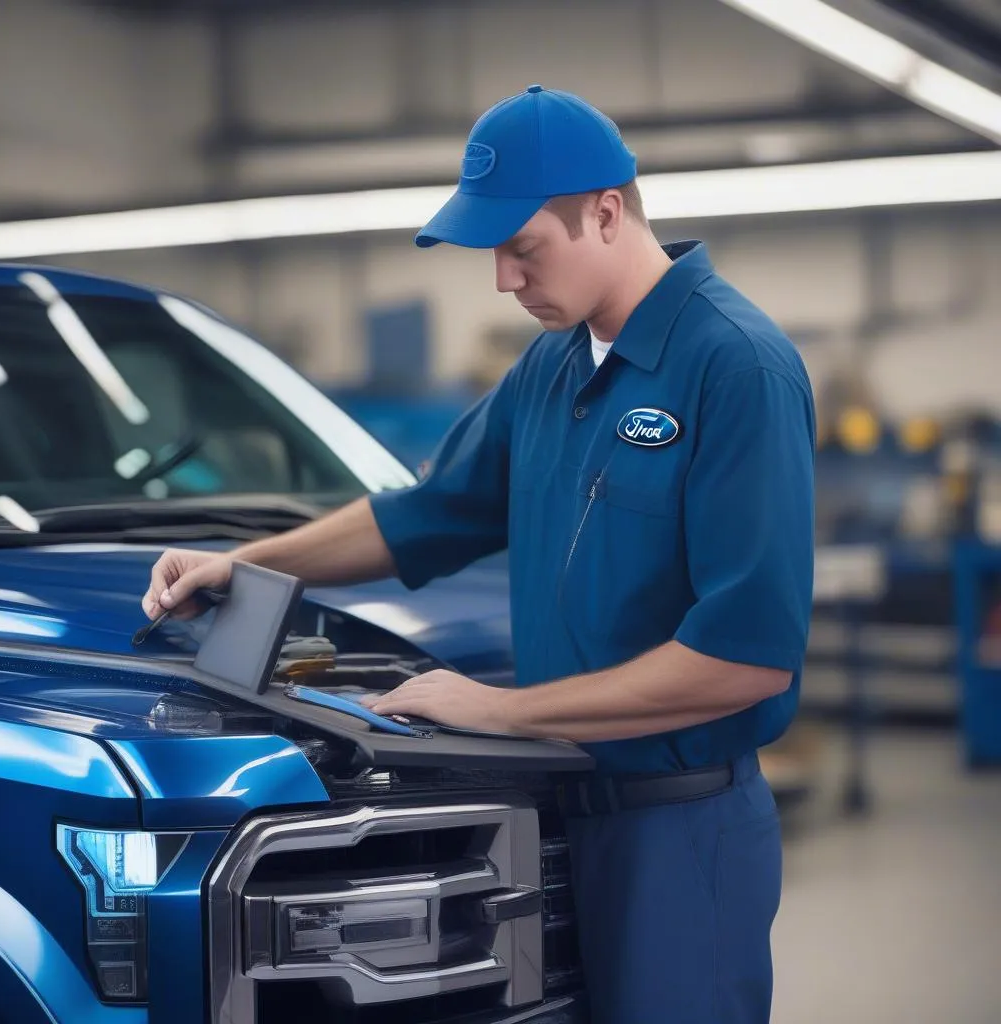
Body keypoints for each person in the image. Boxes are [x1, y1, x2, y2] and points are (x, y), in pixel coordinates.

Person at [142, 85, 815, 1024]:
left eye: (522, 248)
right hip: (559, 820)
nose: (504, 279)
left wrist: (501, 709)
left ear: (606, 213)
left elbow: (745, 658)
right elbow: (426, 514)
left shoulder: (736, 366)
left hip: (681, 829)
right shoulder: (551, 369)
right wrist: (253, 565)